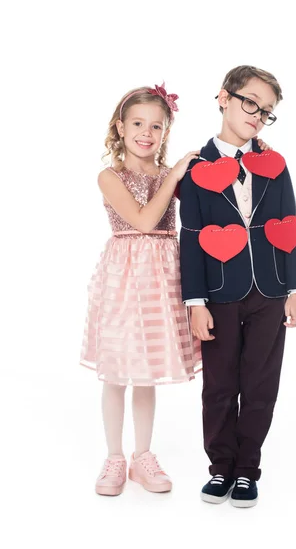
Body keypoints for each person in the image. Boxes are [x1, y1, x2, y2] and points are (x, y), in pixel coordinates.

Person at [179, 66, 296, 508]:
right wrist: (195, 301)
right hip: (218, 293)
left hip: (270, 292)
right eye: (250, 102)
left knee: (260, 383)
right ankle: (220, 467)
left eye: (267, 110)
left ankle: (247, 469)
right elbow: (192, 236)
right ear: (224, 97)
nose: (257, 114)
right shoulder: (195, 167)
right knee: (218, 384)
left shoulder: (275, 164)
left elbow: (290, 223)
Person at [81, 83, 201, 496]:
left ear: (166, 131)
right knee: (117, 372)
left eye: (156, 125)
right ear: (120, 126)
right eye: (137, 123)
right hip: (125, 277)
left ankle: (142, 457)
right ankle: (114, 457)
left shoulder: (172, 175)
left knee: (147, 372)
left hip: (162, 278)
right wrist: (175, 175)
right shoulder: (109, 176)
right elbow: (145, 221)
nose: (146, 132)